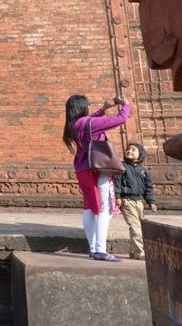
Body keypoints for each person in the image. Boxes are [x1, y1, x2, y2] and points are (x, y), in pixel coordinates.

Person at [62, 93, 131, 262]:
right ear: (82, 107)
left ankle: (93, 248)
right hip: (97, 169)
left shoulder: (73, 125)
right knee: (104, 209)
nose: (89, 107)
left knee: (89, 207)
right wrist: (126, 105)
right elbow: (121, 119)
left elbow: (89, 124)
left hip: (83, 169)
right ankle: (100, 250)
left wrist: (103, 109)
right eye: (88, 104)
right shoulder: (89, 123)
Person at [115, 142, 157, 259]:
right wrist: (117, 196)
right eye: (128, 149)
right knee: (135, 226)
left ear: (140, 154)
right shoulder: (122, 167)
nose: (129, 151)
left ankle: (134, 251)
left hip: (139, 202)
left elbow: (148, 188)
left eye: (133, 150)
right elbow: (117, 182)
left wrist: (151, 202)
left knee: (140, 227)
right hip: (127, 200)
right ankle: (139, 253)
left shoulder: (143, 171)